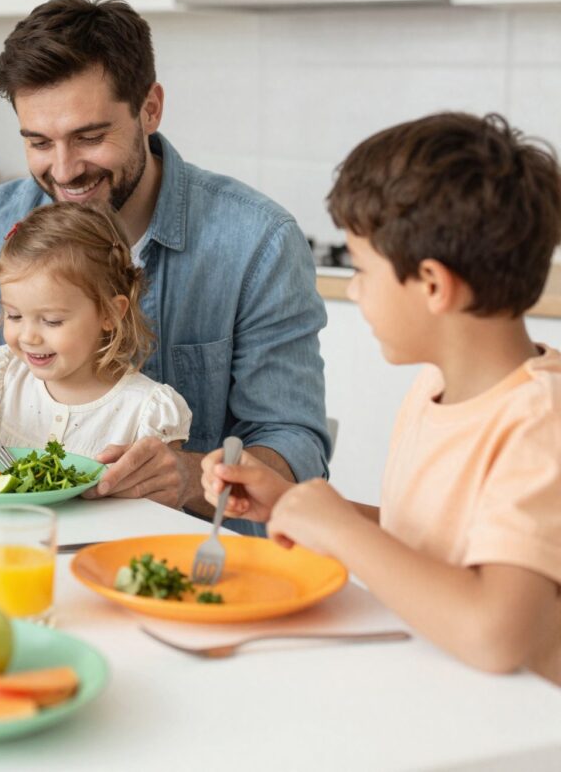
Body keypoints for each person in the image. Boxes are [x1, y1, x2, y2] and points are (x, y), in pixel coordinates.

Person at [0, 0, 329, 531]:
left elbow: (295, 447)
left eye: (90, 137)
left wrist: (189, 477)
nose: (64, 170)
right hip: (15, 544)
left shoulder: (256, 242)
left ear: (150, 108)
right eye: (39, 142)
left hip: (182, 555)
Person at [201, 112, 561, 682]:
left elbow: (495, 634)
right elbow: (426, 546)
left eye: (362, 269)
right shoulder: (437, 389)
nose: (354, 289)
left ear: (433, 285)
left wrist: (341, 531)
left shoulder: (540, 423)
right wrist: (300, 504)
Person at [0, 201, 192, 462]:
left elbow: (165, 489)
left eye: (52, 321)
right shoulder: (1, 376)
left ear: (110, 313)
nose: (28, 337)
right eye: (14, 316)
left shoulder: (148, 411)